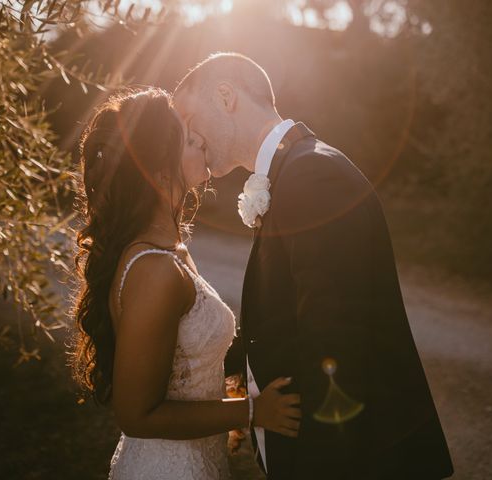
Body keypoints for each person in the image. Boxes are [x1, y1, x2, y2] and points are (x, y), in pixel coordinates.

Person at [173, 53, 454, 479]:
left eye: (189, 118)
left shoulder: (313, 176)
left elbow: (336, 345)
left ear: (226, 96)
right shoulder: (292, 172)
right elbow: (286, 320)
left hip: (354, 460)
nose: (189, 136)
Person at [70, 87, 301, 480]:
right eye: (192, 140)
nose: (204, 142)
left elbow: (191, 357)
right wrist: (251, 412)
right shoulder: (154, 270)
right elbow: (136, 415)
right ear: (160, 167)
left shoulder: (172, 250)